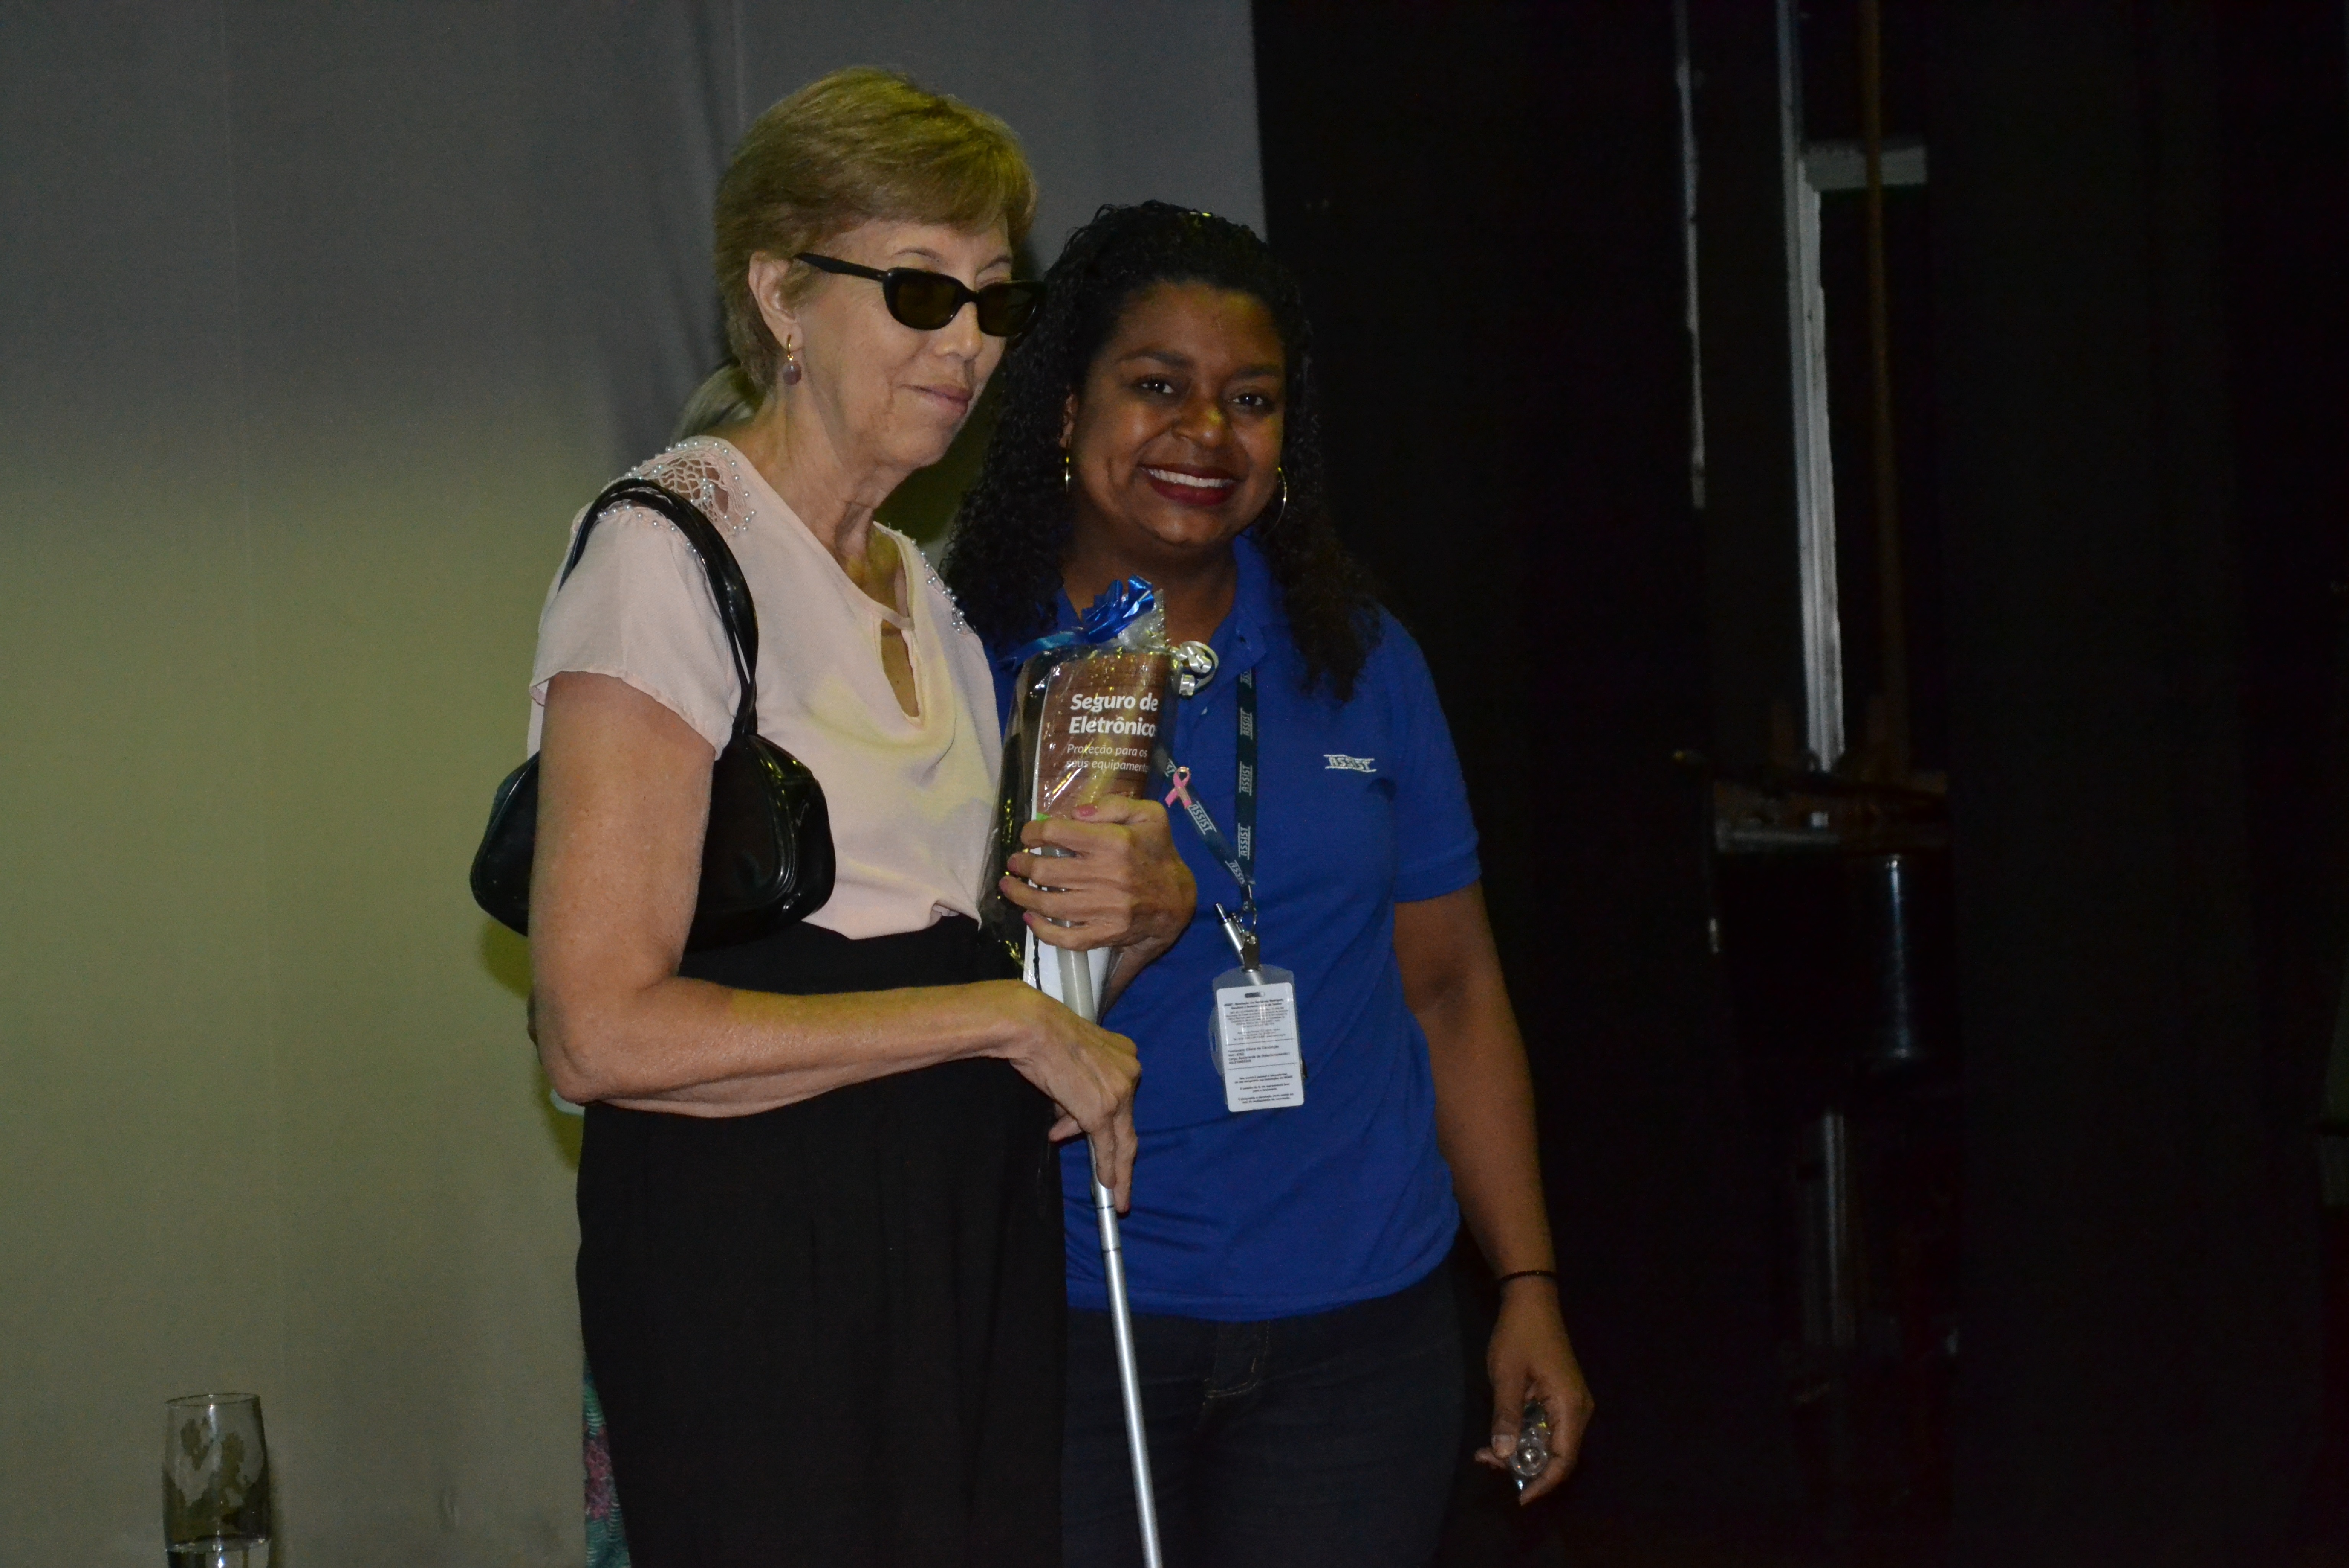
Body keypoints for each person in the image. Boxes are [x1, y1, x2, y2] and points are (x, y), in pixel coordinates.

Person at [523, 74, 1192, 1566]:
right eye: (918, 290)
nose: (967, 345)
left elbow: (994, 1001)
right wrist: (996, 1020)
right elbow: (598, 1033)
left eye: (994, 301)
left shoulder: (924, 598)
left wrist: (1128, 930)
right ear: (781, 295)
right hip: (760, 1268)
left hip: (958, 1244)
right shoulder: (668, 549)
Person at [945, 203, 1595, 1568]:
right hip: (1075, 1316)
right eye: (1158, 386)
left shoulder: (1360, 658)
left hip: (1358, 1330)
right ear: (1063, 412)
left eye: (1251, 400)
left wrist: (1528, 1282)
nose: (1207, 434)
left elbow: (1452, 989)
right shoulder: (963, 663)